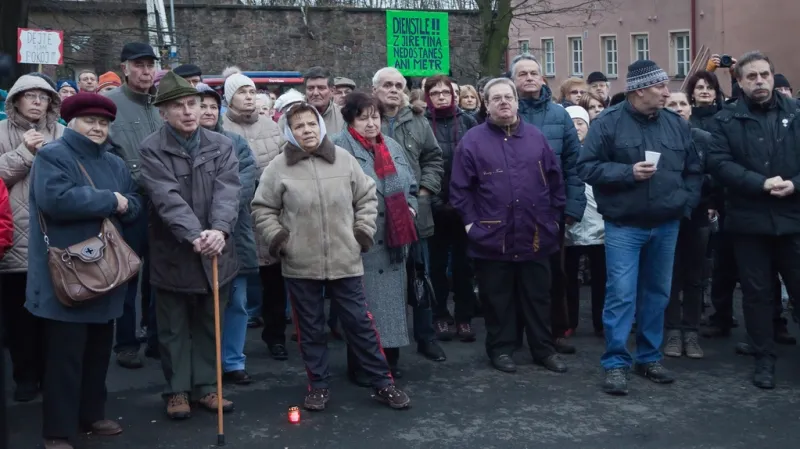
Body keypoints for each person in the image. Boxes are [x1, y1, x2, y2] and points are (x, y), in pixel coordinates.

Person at [252, 101, 411, 411]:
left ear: (321, 126)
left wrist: (361, 233)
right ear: (290, 131)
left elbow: (366, 197)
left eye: (311, 124)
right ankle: (318, 386)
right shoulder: (278, 167)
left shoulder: (343, 160)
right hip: (301, 263)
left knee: (360, 325)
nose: (307, 130)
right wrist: (280, 239)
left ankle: (383, 383)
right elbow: (262, 207)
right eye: (299, 126)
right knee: (310, 329)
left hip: (345, 259)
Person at [577, 60, 703, 395]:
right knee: (621, 294)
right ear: (639, 90)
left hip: (667, 223)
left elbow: (693, 170)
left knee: (658, 294)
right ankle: (616, 363)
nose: (667, 92)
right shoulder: (607, 124)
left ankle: (649, 357)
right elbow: (586, 168)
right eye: (660, 86)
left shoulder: (676, 125)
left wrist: (684, 203)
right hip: (624, 225)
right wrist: (627, 173)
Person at [27, 93, 142, 449]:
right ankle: (58, 431)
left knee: (96, 351)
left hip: (106, 271)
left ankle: (92, 413)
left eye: (104, 122)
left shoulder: (114, 161)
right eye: (90, 121)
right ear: (71, 122)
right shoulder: (52, 155)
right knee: (64, 358)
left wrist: (125, 204)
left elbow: (134, 202)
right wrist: (111, 200)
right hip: (67, 271)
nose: (97, 127)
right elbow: (55, 200)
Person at [139, 72, 240, 418]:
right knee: (173, 327)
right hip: (174, 251)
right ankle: (177, 390)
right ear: (163, 112)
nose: (187, 112)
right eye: (178, 106)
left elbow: (229, 191)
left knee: (211, 323)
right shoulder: (152, 148)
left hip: (217, 248)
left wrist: (220, 231)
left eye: (192, 104)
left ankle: (208, 388)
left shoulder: (222, 145)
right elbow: (166, 197)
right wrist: (196, 235)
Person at [450, 78, 568, 374]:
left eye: (509, 97)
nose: (504, 102)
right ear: (486, 105)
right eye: (496, 98)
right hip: (492, 237)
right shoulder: (472, 141)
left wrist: (554, 220)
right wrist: (470, 226)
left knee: (538, 296)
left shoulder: (536, 138)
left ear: (517, 101)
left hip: (536, 233)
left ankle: (543, 349)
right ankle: (501, 349)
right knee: (497, 299)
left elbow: (556, 182)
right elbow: (460, 190)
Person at [706, 51, 800, 389]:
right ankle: (764, 359)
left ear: (773, 76)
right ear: (740, 82)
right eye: (751, 77)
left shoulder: (797, 112)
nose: (759, 81)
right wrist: (758, 183)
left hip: (793, 217)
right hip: (749, 220)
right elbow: (718, 163)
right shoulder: (725, 120)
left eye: (764, 75)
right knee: (757, 295)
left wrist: (794, 184)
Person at [331, 92, 419, 382]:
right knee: (362, 312)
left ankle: (389, 364)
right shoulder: (337, 148)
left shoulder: (390, 145)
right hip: (361, 243)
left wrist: (411, 208)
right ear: (350, 120)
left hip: (394, 242)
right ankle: (362, 366)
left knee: (392, 308)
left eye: (376, 117)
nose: (371, 124)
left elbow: (412, 184)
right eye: (363, 117)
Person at [509, 53, 585, 354]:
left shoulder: (559, 115)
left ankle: (555, 332)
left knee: (554, 275)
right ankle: (514, 335)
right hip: (512, 210)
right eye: (522, 73)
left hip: (551, 209)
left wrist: (572, 208)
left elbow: (573, 165)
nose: (529, 78)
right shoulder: (505, 112)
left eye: (533, 73)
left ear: (543, 78)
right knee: (514, 276)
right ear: (512, 80)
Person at [372, 66, 447, 363]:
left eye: (398, 85)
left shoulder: (417, 120)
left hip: (415, 213)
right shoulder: (365, 118)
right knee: (384, 284)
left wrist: (425, 192)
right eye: (387, 84)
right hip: (377, 217)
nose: (393, 90)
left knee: (419, 276)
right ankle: (385, 344)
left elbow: (433, 158)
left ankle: (426, 337)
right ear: (374, 88)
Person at [0, 74, 65, 402]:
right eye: (30, 96)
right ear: (16, 100)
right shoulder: (0, 133)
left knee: (55, 315)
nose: (37, 101)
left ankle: (54, 375)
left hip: (56, 235)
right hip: (16, 236)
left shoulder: (63, 133)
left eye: (44, 96)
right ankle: (25, 376)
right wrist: (25, 152)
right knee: (20, 315)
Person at [221, 67, 287, 361]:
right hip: (236, 214)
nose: (248, 97)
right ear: (229, 98)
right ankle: (231, 347)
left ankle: (276, 337)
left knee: (275, 280)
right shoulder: (221, 128)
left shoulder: (272, 127)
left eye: (251, 91)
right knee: (237, 283)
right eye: (241, 92)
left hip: (269, 213)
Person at [104, 42, 164, 369]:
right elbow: (104, 154)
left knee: (159, 275)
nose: (145, 71)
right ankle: (125, 343)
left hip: (163, 204)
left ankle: (155, 337)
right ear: (125, 67)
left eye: (149, 65)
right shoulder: (108, 104)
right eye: (138, 65)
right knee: (126, 274)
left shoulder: (160, 105)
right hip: (129, 203)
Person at [196, 83, 258, 385]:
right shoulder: (182, 144)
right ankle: (204, 363)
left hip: (235, 233)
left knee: (236, 301)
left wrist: (216, 208)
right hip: (195, 235)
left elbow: (244, 183)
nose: (207, 111)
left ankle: (232, 360)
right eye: (201, 105)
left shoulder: (236, 143)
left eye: (212, 106)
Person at [422, 75, 479, 342]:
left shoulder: (468, 121)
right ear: (428, 96)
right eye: (435, 93)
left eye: (446, 92)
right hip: (433, 205)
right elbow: (420, 164)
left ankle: (464, 316)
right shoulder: (421, 124)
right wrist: (433, 201)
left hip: (463, 205)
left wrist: (463, 202)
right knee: (435, 266)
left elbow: (477, 164)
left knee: (464, 265)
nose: (442, 97)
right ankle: (440, 314)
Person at [662, 92, 714, 359]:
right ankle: (672, 331)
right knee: (669, 277)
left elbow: (714, 176)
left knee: (695, 277)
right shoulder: (659, 138)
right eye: (673, 104)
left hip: (697, 217)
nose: (679, 108)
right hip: (665, 217)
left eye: (683, 104)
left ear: (690, 109)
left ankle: (691, 332)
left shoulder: (704, 139)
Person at [563, 106, 605, 338]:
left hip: (599, 223)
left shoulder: (597, 149)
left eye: (581, 123)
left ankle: (601, 321)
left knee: (602, 277)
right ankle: (569, 320)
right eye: (572, 123)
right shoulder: (562, 151)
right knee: (569, 277)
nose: (577, 127)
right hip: (571, 222)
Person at [303, 67, 345, 133]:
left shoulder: (344, 116)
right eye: (310, 88)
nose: (315, 93)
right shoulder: (290, 116)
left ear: (332, 91)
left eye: (321, 88)